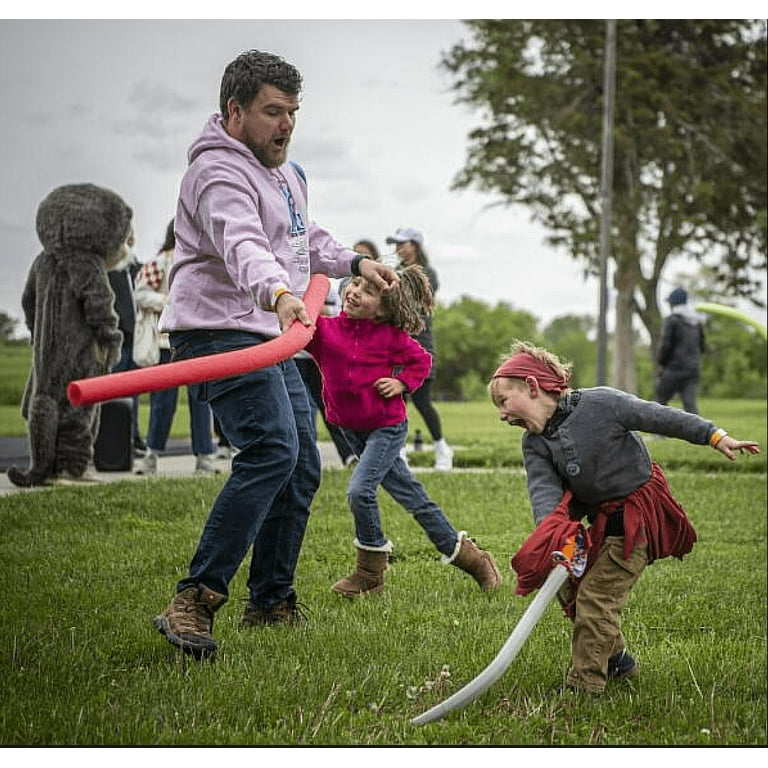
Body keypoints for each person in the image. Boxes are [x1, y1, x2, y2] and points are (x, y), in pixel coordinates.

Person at [152, 49, 399, 658]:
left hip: (272, 331)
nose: (286, 124)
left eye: (292, 111)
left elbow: (302, 237)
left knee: (302, 464)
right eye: (271, 111)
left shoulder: (286, 172)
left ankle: (270, 601)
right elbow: (243, 246)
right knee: (272, 449)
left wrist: (355, 263)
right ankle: (195, 599)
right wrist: (282, 293)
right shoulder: (216, 174)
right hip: (218, 330)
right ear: (234, 111)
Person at [488, 340, 760, 695]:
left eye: (504, 401)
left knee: (595, 598)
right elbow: (544, 493)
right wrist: (554, 537)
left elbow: (661, 417)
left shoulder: (602, 403)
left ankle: (585, 686)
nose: (502, 414)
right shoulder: (534, 443)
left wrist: (713, 435)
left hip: (637, 517)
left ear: (533, 387)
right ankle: (618, 661)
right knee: (568, 583)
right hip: (597, 521)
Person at [306, 265, 501, 597]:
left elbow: (421, 361)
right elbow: (294, 332)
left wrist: (400, 382)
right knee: (413, 497)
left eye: (367, 291)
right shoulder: (325, 331)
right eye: (354, 283)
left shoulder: (389, 337)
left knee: (359, 491)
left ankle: (369, 574)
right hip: (351, 429)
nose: (354, 292)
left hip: (386, 427)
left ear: (383, 308)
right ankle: (474, 560)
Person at [7, 183, 132, 487]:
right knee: (79, 410)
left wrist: (38, 332)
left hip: (46, 355)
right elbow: (99, 306)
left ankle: (43, 468)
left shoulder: (43, 260)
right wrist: (110, 340)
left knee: (46, 403)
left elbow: (28, 300)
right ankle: (72, 468)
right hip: (82, 352)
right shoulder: (87, 264)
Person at [133, 219, 219, 477]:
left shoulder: (201, 262)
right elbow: (139, 293)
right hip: (165, 343)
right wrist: (169, 302)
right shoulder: (161, 262)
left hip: (196, 341)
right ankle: (151, 456)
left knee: (201, 401)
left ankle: (204, 457)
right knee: (162, 403)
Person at [385, 227, 453, 470]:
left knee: (423, 402)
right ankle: (400, 452)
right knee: (398, 402)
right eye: (396, 244)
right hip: (396, 347)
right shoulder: (394, 272)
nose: (397, 249)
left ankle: (441, 449)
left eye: (402, 244)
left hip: (421, 346)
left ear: (414, 245)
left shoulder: (428, 274)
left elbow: (414, 304)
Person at [294, 281, 358, 467]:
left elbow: (340, 310)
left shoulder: (324, 286)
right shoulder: (289, 280)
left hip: (317, 356)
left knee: (329, 407)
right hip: (292, 355)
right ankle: (305, 458)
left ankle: (348, 454)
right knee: (300, 407)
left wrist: (316, 308)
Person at [107, 225, 146, 455]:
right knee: (115, 391)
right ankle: (115, 440)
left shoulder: (136, 269)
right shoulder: (110, 272)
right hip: (120, 340)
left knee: (133, 392)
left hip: (137, 340)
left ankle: (133, 438)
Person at [655, 287, 706, 414]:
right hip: (692, 369)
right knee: (690, 405)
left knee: (660, 401)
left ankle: (657, 433)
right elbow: (702, 346)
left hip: (674, 368)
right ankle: (698, 433)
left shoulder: (672, 320)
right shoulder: (696, 322)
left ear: (673, 303)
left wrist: (661, 363)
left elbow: (666, 345)